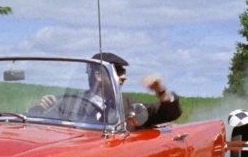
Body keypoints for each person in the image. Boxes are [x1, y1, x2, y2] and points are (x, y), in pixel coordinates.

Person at [32, 52, 181, 128]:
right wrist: (39, 108)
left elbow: (167, 113)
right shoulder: (69, 103)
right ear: (98, 75)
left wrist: (160, 91)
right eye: (118, 72)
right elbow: (41, 129)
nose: (124, 78)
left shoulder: (128, 106)